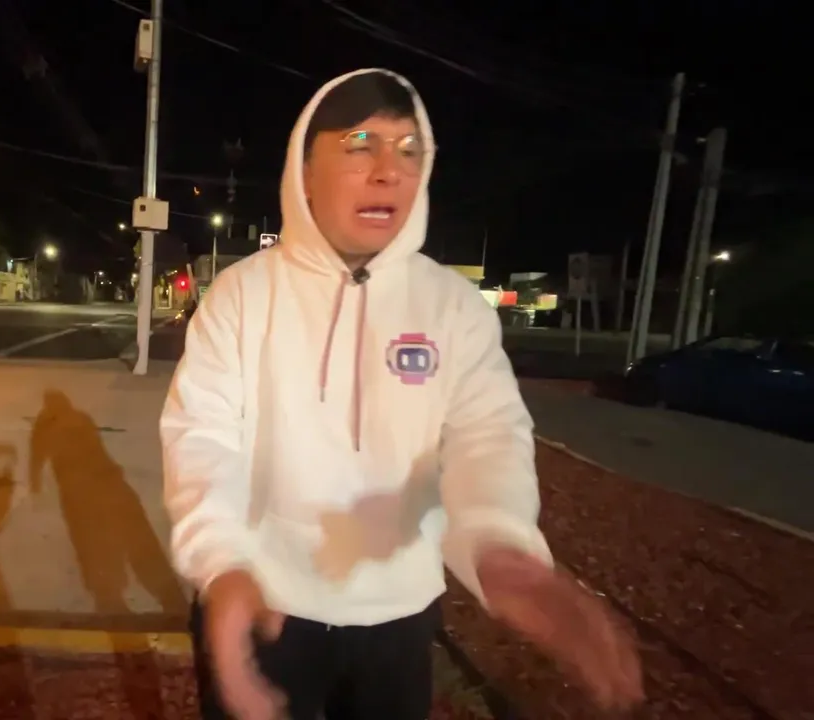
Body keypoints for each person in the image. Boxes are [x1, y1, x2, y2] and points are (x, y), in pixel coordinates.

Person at [160, 69, 643, 720]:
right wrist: (221, 564)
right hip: (262, 604)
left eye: (410, 149)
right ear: (304, 172)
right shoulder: (243, 296)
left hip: (399, 620)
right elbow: (202, 438)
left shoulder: (453, 307)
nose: (390, 170)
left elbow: (484, 436)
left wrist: (501, 546)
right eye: (361, 144)